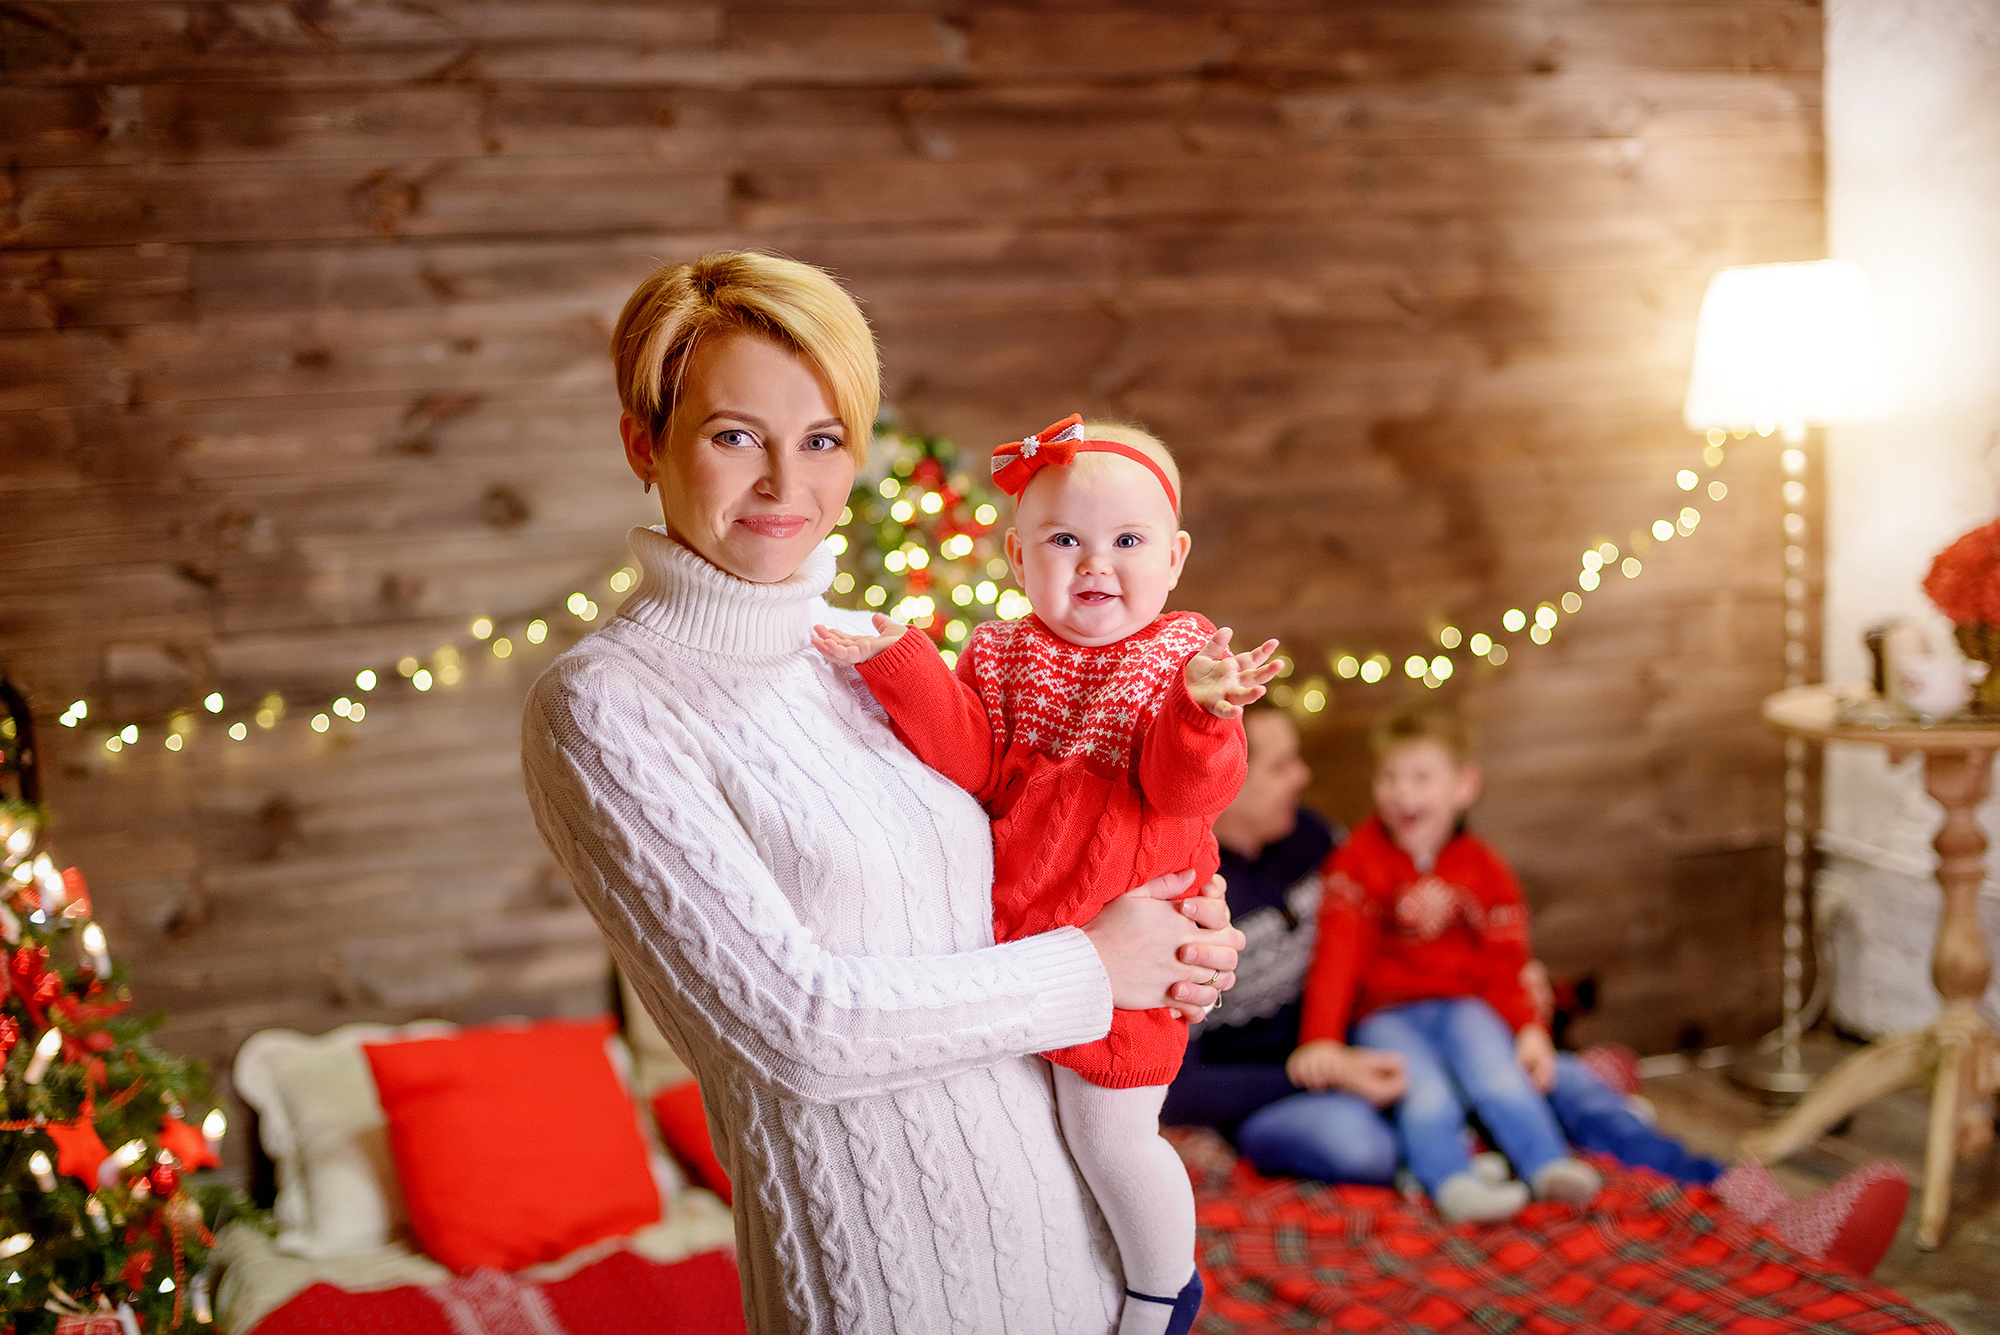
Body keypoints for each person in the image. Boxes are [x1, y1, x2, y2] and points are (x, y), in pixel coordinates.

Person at [521, 251, 1246, 1335]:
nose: (783, 485)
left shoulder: (860, 657)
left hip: (1085, 1269)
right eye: (733, 436)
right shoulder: (604, 707)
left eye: (820, 440)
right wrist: (1095, 964)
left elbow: (1018, 858)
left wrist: (1179, 931)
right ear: (644, 443)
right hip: (889, 1290)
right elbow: (796, 1029)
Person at [815, 415, 1279, 1335]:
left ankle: (1162, 1291)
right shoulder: (999, 653)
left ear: (1175, 558)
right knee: (1043, 1147)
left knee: (1110, 1137)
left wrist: (1201, 712)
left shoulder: (1176, 664)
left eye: (1127, 541)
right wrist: (903, 662)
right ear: (1019, 558)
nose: (1095, 563)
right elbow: (973, 760)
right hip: (1034, 947)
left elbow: (1189, 788)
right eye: (1065, 539)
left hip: (1135, 962)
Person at [1167, 706, 1911, 1276]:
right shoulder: (1182, 895)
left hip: (1389, 1033)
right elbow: (1177, 1083)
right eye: (1278, 766)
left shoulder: (1318, 840)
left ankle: (1760, 1201)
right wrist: (1326, 1062)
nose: (1300, 777)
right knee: (1352, 1141)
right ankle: (1473, 1142)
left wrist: (1520, 997)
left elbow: (1438, 927)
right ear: (1220, 777)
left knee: (1547, 1076)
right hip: (1296, 1082)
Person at [1286, 702, 1599, 1222]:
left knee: (1499, 1075)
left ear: (1463, 786)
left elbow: (1506, 961)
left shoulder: (1485, 870)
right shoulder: (1357, 862)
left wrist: (1529, 1027)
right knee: (1423, 1089)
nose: (1402, 794)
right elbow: (1335, 958)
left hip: (1463, 1003)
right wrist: (1321, 1037)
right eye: (1389, 777)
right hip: (1386, 1014)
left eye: (1421, 778)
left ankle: (1546, 1165)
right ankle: (1452, 1182)